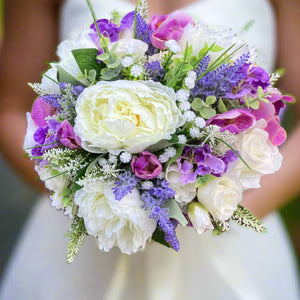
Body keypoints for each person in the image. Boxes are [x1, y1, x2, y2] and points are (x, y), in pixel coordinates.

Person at [0, 0, 299, 299]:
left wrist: (222, 207)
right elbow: (9, 110)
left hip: (234, 244)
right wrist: (91, 199)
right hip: (85, 249)